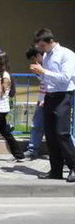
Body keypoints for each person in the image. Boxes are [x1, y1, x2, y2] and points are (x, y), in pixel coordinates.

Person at [30, 29, 75, 182]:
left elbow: (65, 77)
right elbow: (46, 79)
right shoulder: (47, 56)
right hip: (49, 96)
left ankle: (73, 167)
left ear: (51, 41)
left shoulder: (66, 54)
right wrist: (39, 73)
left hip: (63, 96)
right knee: (50, 135)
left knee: (62, 133)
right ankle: (56, 170)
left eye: (43, 46)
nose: (41, 50)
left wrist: (43, 70)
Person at [24, 47, 46, 159]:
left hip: (49, 99)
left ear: (38, 55)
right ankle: (32, 149)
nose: (34, 61)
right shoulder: (42, 65)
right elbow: (43, 80)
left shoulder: (49, 64)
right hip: (42, 99)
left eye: (34, 58)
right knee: (37, 125)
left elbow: (52, 82)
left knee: (60, 130)